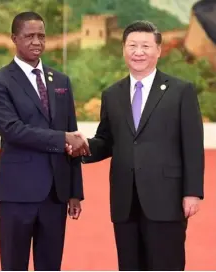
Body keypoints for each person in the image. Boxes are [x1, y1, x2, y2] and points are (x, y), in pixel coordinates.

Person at [73, 21, 204, 270]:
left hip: (167, 198)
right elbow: (107, 140)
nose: (138, 51)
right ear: (123, 49)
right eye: (132, 45)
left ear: (158, 50)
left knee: (167, 264)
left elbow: (193, 145)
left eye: (145, 45)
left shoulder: (180, 91)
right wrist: (83, 147)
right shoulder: (112, 94)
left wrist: (192, 192)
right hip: (125, 201)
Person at [0, 11, 89, 271]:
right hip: (17, 195)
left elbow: (72, 135)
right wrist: (61, 138)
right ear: (14, 38)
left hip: (56, 195)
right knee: (14, 265)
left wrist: (74, 192)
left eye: (41, 36)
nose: (36, 42)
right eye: (29, 36)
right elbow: (12, 130)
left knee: (50, 265)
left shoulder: (61, 81)